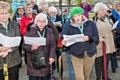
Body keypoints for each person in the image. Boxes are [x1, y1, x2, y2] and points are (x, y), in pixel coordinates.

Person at [62, 7, 99, 80]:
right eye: (75, 16)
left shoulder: (91, 24)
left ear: (82, 15)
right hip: (76, 54)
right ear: (72, 18)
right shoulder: (70, 27)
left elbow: (96, 38)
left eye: (78, 15)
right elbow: (67, 42)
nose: (77, 18)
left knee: (86, 77)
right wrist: (65, 43)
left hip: (90, 54)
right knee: (80, 77)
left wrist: (89, 38)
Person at [22, 13, 56, 80]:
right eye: (39, 21)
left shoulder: (49, 31)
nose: (41, 23)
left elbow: (53, 45)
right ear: (36, 22)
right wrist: (32, 47)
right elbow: (24, 45)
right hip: (33, 62)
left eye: (43, 21)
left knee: (45, 77)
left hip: (45, 61)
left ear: (46, 22)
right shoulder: (30, 30)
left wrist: (52, 56)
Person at [93, 2, 116, 80]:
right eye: (102, 10)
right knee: (98, 62)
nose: (104, 11)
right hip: (99, 44)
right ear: (97, 11)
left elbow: (114, 24)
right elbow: (92, 32)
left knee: (106, 61)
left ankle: (105, 76)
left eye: (104, 9)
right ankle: (98, 77)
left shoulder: (108, 19)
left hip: (108, 43)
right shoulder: (94, 20)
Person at [0, 1, 21, 80]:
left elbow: (18, 41)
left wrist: (8, 51)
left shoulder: (14, 25)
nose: (5, 15)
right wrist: (1, 49)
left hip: (13, 61)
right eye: (2, 13)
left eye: (6, 13)